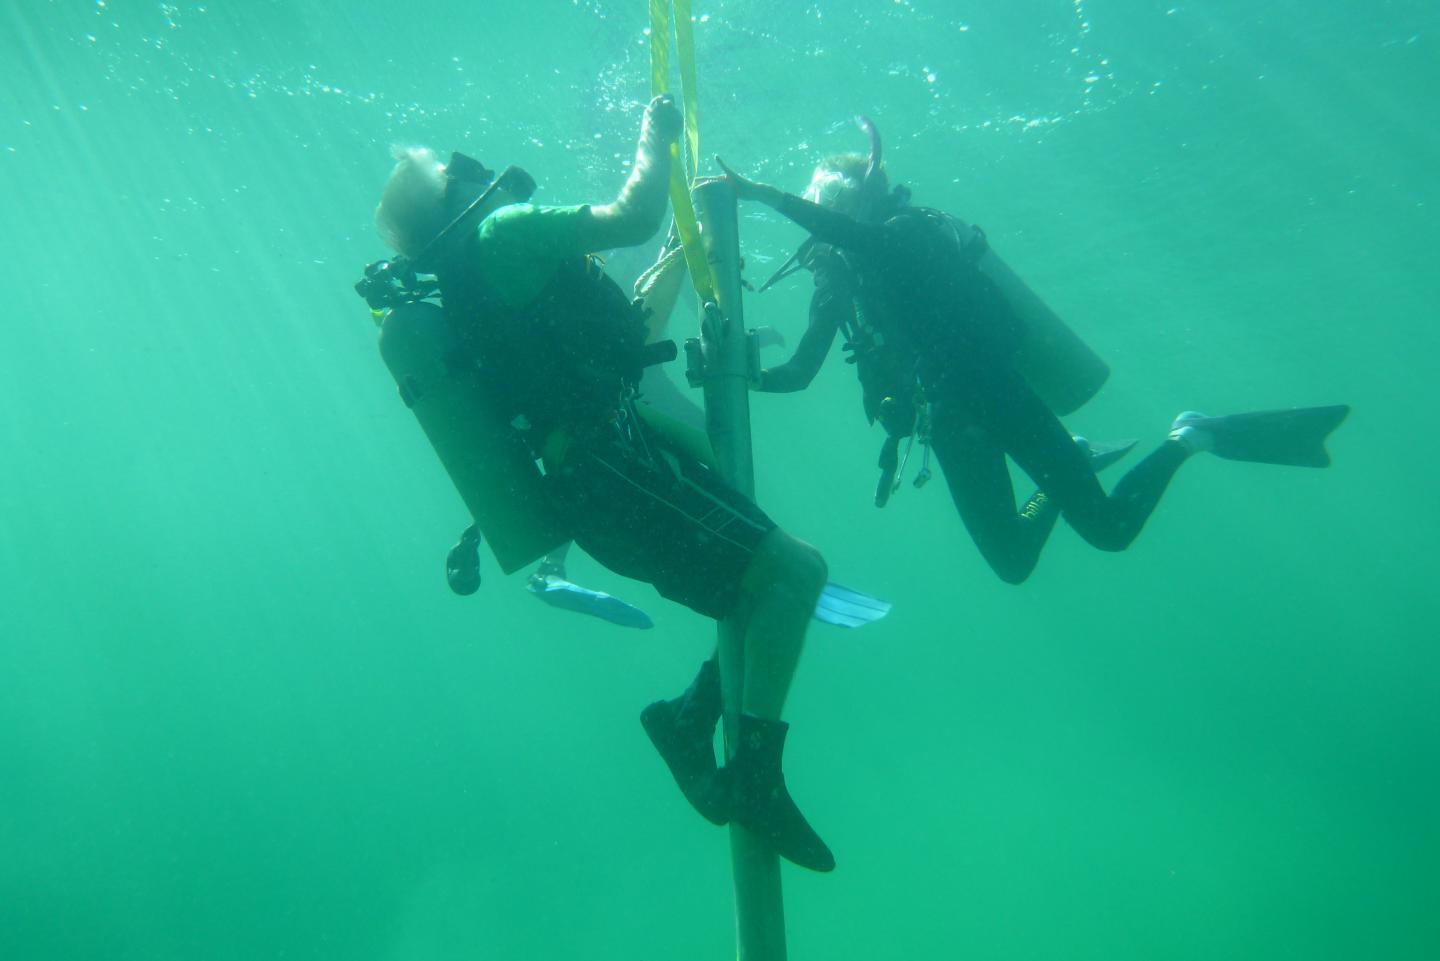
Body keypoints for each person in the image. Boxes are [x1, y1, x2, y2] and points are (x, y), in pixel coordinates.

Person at [366, 95, 834, 871]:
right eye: (453, 166)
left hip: (604, 471)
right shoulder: (500, 233)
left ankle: (689, 722)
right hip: (617, 471)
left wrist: (685, 262)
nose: (471, 164)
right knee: (795, 574)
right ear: (449, 193)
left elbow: (609, 338)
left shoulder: (468, 279)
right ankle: (753, 779)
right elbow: (632, 214)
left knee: (762, 587)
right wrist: (658, 132)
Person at [715, 122, 1348, 585]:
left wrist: (765, 194)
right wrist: (742, 376)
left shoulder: (908, 233)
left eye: (833, 197)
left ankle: (1191, 436)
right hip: (947, 425)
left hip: (998, 394)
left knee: (1108, 531)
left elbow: (863, 241)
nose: (826, 208)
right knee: (1012, 561)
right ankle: (1078, 453)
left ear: (865, 194)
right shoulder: (838, 280)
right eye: (819, 199)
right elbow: (800, 371)